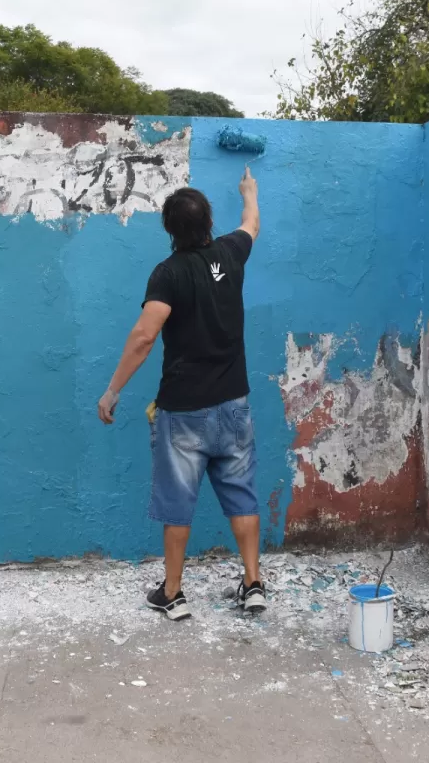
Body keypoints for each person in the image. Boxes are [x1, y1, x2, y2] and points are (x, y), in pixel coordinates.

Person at [98, 168, 265, 620]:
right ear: (209, 221)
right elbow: (251, 224)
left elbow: (143, 337)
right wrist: (249, 191)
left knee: (178, 503)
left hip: (185, 410)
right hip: (234, 404)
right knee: (242, 496)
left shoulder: (168, 273)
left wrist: (113, 391)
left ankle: (172, 593)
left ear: (170, 229)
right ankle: (252, 583)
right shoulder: (231, 252)